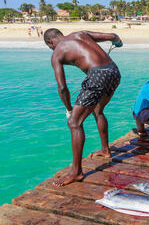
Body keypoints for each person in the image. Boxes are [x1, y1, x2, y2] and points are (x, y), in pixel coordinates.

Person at [44, 29, 123, 187]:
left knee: (74, 123)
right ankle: (105, 150)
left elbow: (62, 88)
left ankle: (76, 172)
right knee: (97, 110)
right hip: (114, 71)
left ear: (51, 42)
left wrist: (69, 109)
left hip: (98, 76)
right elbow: (113, 36)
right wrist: (117, 43)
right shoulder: (81, 34)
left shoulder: (57, 53)